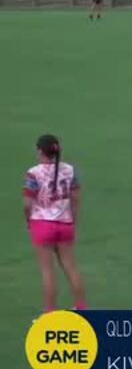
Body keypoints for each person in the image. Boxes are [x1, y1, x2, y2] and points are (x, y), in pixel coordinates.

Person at [24, 134, 88, 314]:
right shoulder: (70, 170)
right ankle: (82, 308)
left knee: (48, 271)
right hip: (65, 223)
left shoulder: (34, 173)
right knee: (71, 267)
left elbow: (27, 203)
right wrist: (73, 219)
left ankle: (49, 313)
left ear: (39, 151)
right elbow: (75, 197)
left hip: (42, 224)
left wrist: (28, 220)